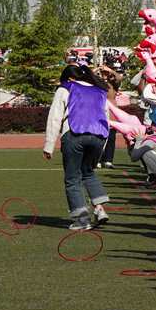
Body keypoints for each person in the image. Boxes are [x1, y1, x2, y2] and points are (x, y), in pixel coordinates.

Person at [42, 65, 112, 231]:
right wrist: (103, 146)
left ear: (69, 79)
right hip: (98, 136)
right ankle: (99, 209)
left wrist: (49, 145)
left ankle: (82, 218)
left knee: (72, 178)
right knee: (88, 171)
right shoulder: (99, 91)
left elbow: (55, 117)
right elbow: (106, 118)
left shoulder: (66, 88)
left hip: (74, 133)